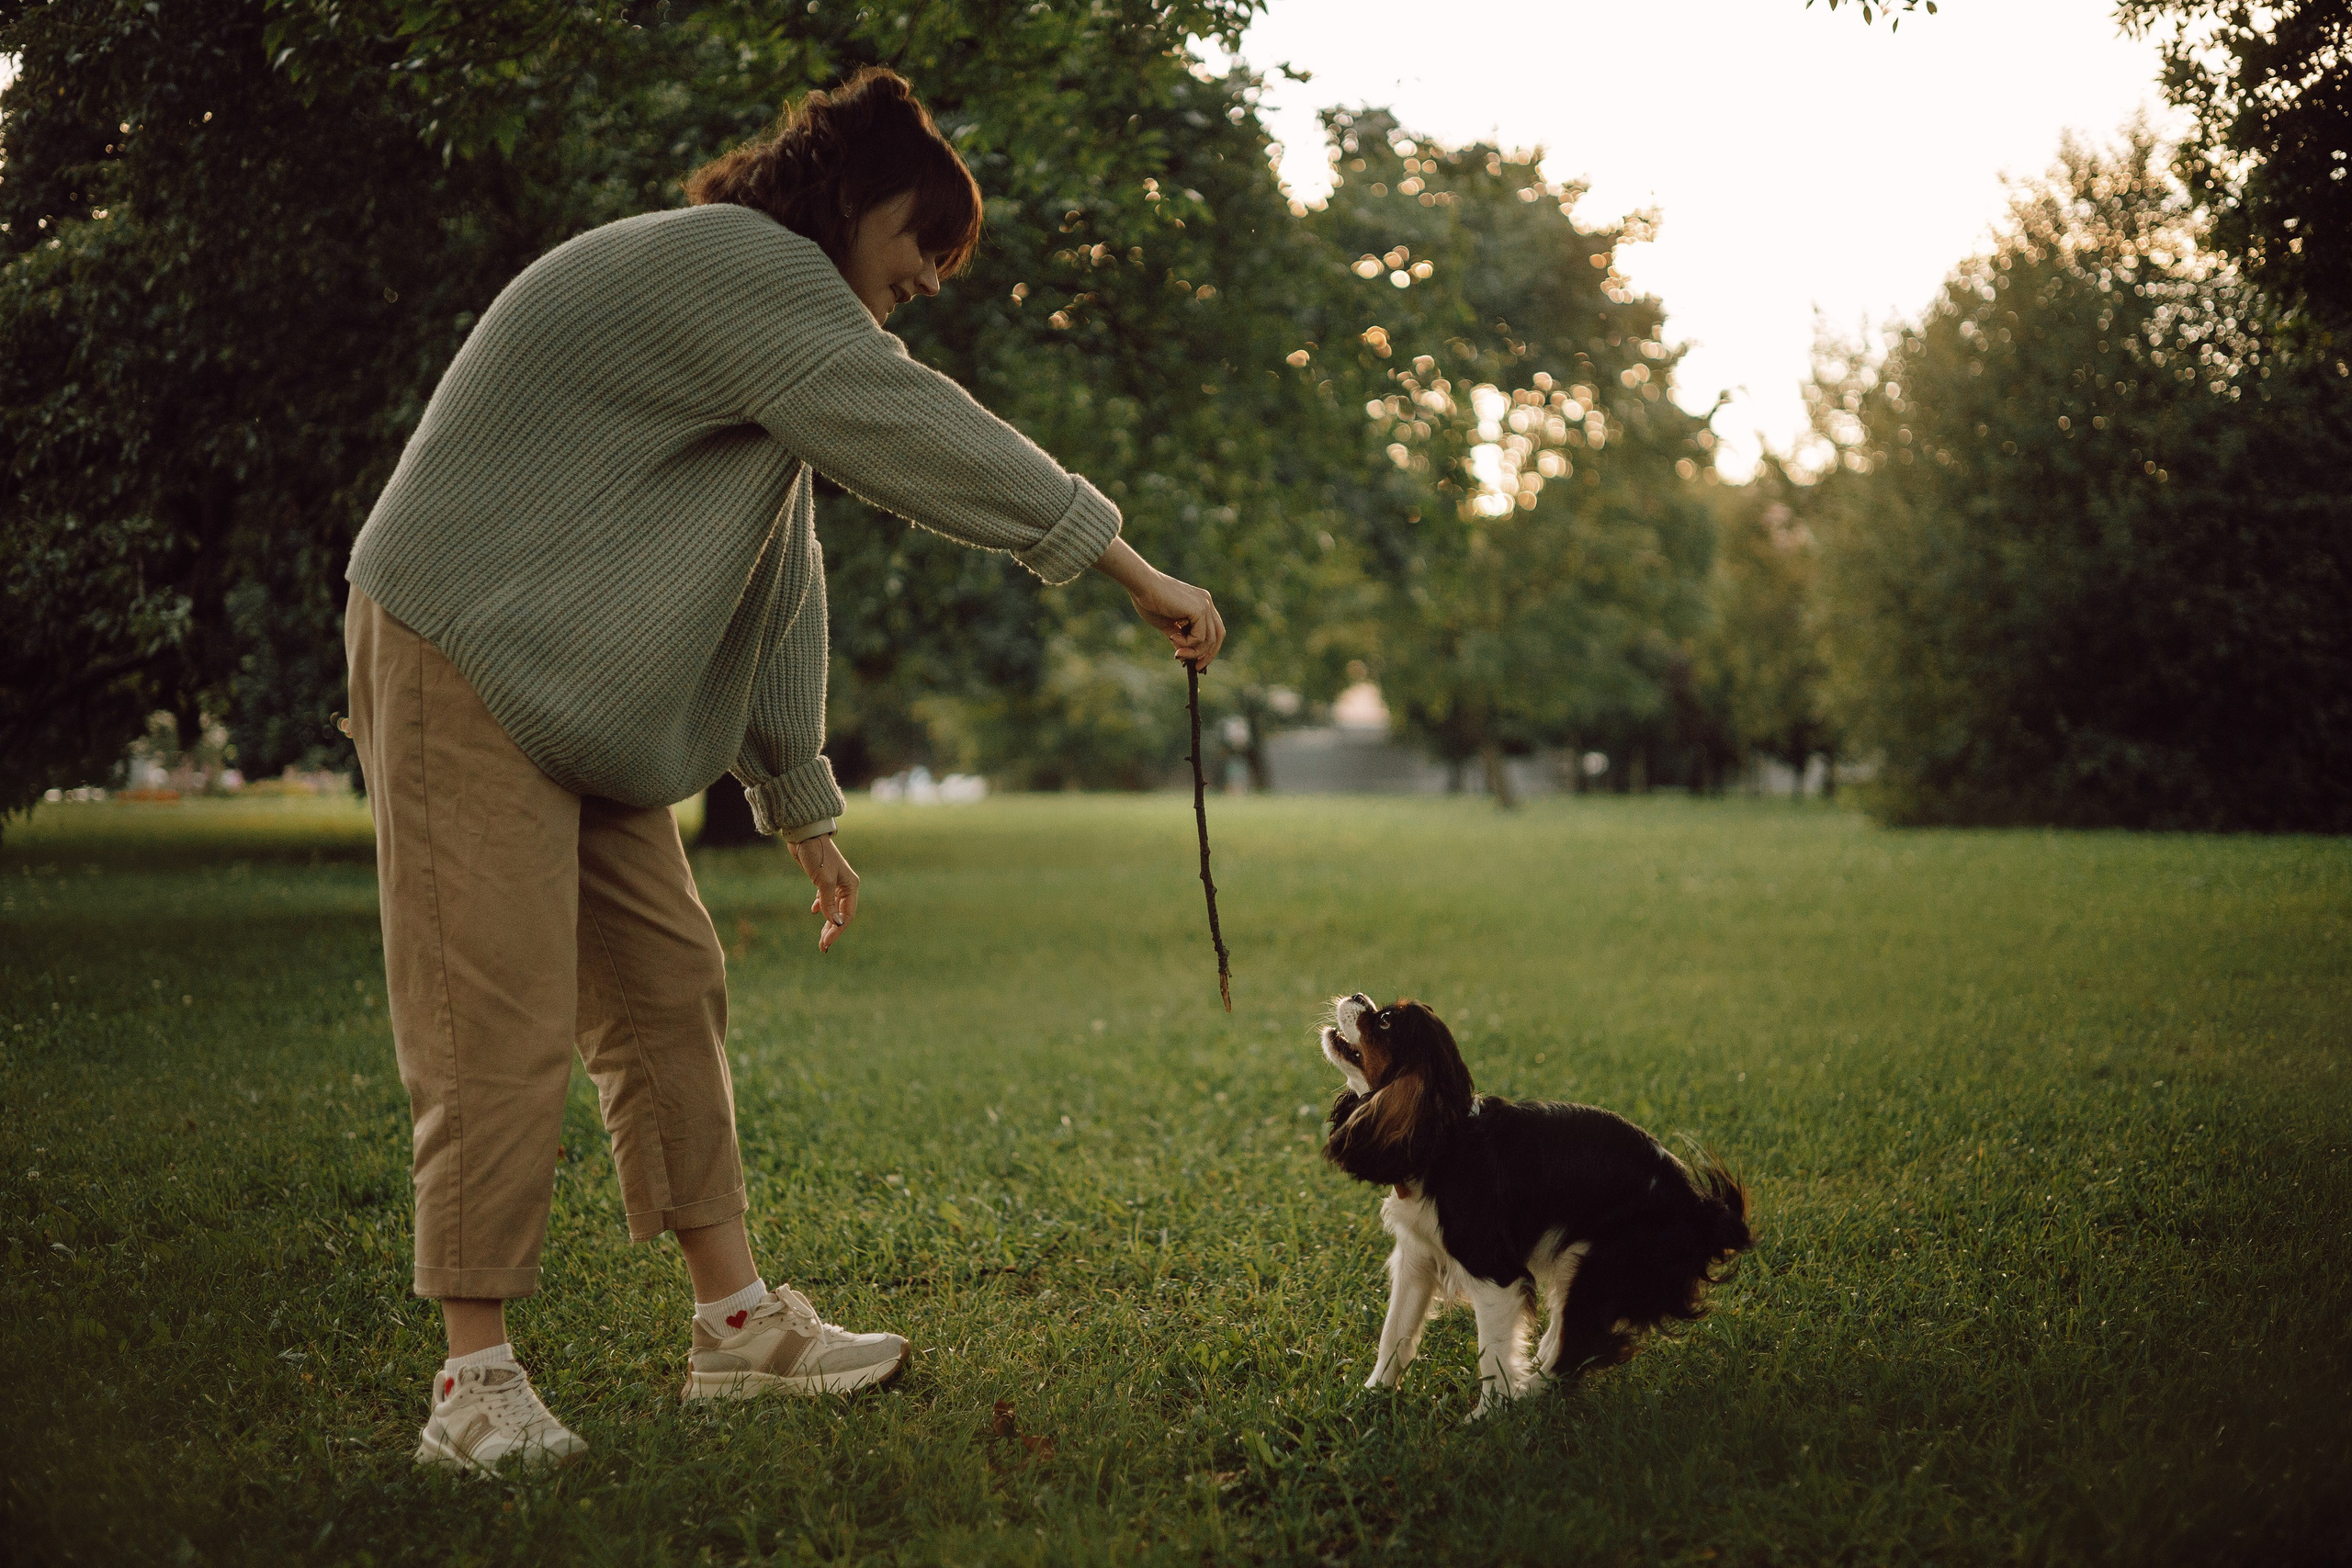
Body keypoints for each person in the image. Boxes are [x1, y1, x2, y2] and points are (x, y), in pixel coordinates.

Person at [341, 66, 1224, 1472]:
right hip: (457, 638)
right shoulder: (740, 266)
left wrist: (799, 801)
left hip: (576, 681)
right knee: (491, 1012)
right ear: (860, 199)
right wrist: (1130, 566)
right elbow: (923, 430)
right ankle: (472, 1385)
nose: (928, 280)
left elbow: (776, 574)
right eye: (923, 241)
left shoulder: (768, 327)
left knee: (666, 986)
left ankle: (738, 1330)